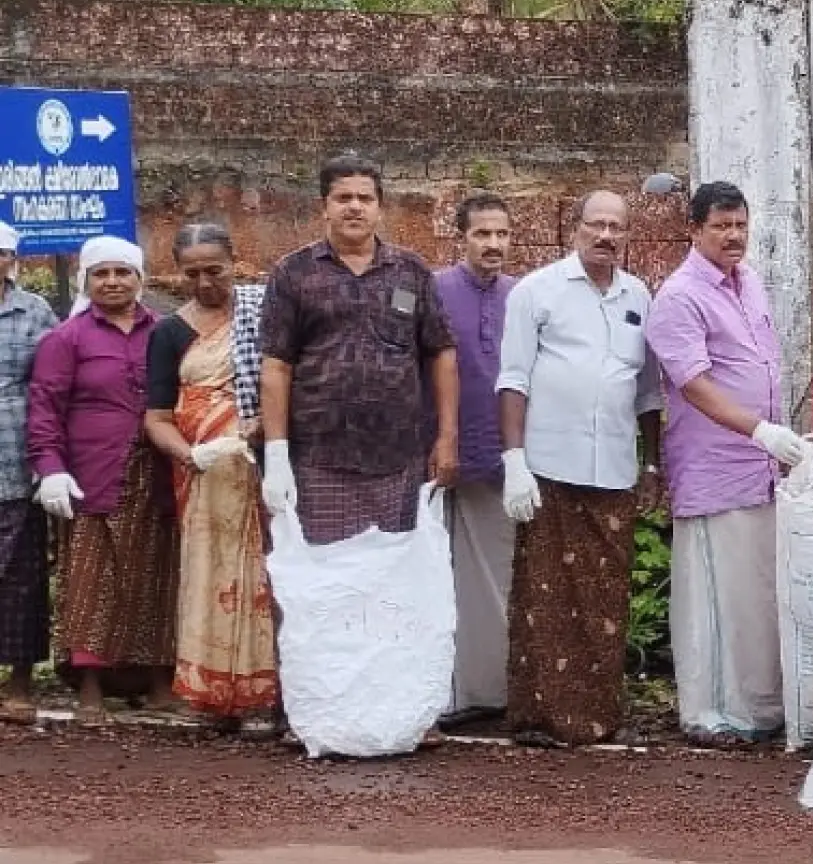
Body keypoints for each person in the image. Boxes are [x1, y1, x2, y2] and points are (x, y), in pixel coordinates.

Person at [495, 191, 663, 748]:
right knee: (545, 596)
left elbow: (647, 392)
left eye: (617, 227)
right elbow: (513, 379)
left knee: (603, 598)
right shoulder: (536, 291)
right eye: (597, 225)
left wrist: (652, 462)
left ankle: (596, 718)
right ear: (576, 228)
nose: (606, 236)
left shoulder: (637, 295)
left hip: (613, 467)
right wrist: (514, 461)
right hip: (548, 466)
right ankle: (538, 719)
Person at [647, 180, 810, 746]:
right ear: (694, 230)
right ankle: (709, 712)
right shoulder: (679, 296)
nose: (733, 235)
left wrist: (777, 440)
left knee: (756, 596)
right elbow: (693, 385)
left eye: (740, 224)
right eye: (720, 226)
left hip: (761, 472)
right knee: (714, 597)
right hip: (715, 470)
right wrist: (761, 430)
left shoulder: (750, 283)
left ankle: (757, 709)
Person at [259, 157, 460, 546]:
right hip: (320, 459)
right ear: (325, 207)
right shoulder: (293, 273)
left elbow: (442, 352)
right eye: (343, 197)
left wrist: (447, 436)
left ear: (380, 208)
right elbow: (276, 367)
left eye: (365, 198)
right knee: (327, 579)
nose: (354, 206)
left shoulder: (411, 272)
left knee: (392, 576)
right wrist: (277, 453)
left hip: (398, 458)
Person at [29, 236, 178, 726]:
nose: (113, 282)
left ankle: (159, 684)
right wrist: (50, 467)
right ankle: (90, 690)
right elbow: (46, 408)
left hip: (155, 474)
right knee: (91, 582)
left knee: (158, 578)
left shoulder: (166, 331)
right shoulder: (67, 339)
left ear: (141, 279)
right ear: (86, 281)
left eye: (123, 272)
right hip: (91, 477)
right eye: (101, 274)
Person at [142, 223, 275, 732]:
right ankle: (216, 696)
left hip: (263, 470)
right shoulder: (170, 332)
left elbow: (285, 380)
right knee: (210, 576)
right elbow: (156, 417)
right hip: (205, 479)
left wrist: (262, 427)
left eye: (214, 271)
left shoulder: (261, 315)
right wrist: (192, 455)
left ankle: (270, 693)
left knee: (268, 573)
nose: (203, 283)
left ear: (234, 263)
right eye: (192, 273)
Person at [434, 192, 517, 724]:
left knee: (496, 579)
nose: (492, 244)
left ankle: (491, 692)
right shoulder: (434, 291)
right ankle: (445, 694)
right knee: (441, 579)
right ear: (460, 238)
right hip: (441, 456)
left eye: (501, 234)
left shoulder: (523, 296)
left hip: (503, 458)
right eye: (481, 234)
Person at [0, 223, 56, 726]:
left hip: (15, 456)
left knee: (20, 577)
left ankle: (19, 682)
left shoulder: (34, 310)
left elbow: (54, 379)